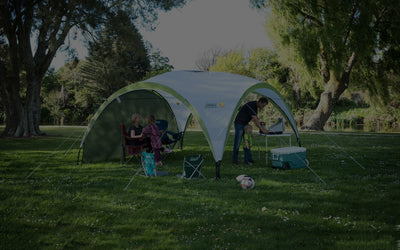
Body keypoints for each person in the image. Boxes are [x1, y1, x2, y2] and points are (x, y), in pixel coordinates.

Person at [233, 97, 269, 164]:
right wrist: (263, 130)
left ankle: (248, 158)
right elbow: (255, 119)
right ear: (260, 102)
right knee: (238, 142)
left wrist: (260, 123)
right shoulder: (251, 105)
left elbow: (256, 118)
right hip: (239, 123)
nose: (263, 107)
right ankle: (235, 159)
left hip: (245, 124)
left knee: (247, 141)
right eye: (263, 105)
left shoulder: (255, 107)